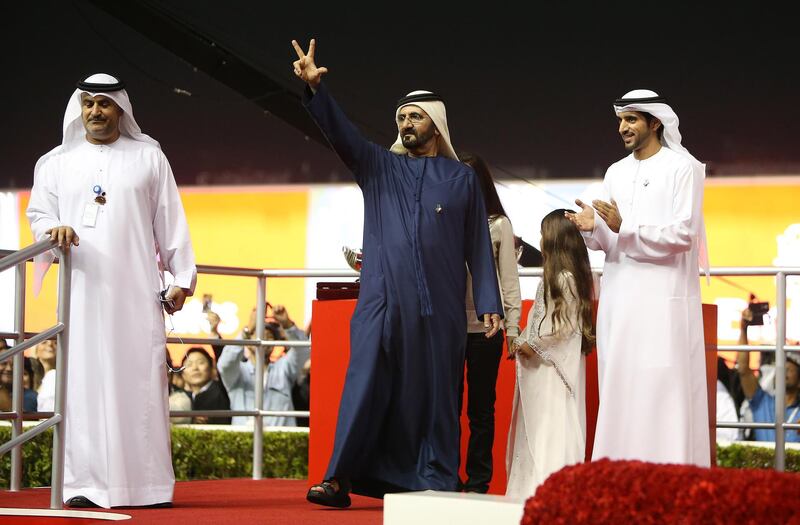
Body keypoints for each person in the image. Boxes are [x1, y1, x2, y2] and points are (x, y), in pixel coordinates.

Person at [292, 39, 503, 507]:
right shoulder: (377, 166)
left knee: (436, 401)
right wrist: (315, 91)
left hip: (441, 310)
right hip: (381, 304)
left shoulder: (462, 179)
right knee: (365, 384)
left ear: (437, 125)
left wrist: (489, 303)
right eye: (401, 117)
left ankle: (435, 482)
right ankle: (338, 479)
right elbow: (341, 135)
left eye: (415, 117)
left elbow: (477, 247)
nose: (406, 124)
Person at [26, 73, 196, 508]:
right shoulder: (55, 162)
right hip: (80, 294)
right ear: (78, 109)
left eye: (104, 104)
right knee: (82, 384)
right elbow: (39, 213)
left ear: (121, 109)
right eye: (88, 104)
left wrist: (181, 279)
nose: (95, 112)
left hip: (137, 291)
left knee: (139, 382)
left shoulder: (148, 157)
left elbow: (169, 219)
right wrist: (52, 228)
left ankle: (147, 486)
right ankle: (84, 484)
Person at [566, 89, 710, 466]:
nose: (623, 128)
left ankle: (671, 482)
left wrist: (624, 226)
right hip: (620, 301)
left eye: (631, 120)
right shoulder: (616, 171)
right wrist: (590, 229)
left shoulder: (684, 169)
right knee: (622, 390)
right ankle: (616, 482)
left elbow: (684, 236)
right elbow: (608, 240)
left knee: (664, 393)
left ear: (655, 122)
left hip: (664, 304)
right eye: (620, 121)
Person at [505, 209, 594, 498]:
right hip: (542, 370)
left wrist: (532, 345)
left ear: (554, 240)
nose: (540, 241)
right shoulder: (555, 278)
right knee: (537, 428)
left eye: (544, 234)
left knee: (551, 428)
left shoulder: (565, 279)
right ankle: (529, 491)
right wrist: (524, 341)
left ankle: (548, 493)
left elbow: (562, 329)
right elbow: (540, 321)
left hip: (553, 373)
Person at [457, 152, 521, 493]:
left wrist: (513, 326)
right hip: (449, 328)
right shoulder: (445, 217)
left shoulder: (498, 224)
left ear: (480, 181)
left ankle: (479, 481)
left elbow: (509, 279)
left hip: (487, 329)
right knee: (447, 408)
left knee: (481, 410)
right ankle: (446, 477)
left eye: (467, 176)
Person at [217, 304, 311, 427]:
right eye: (258, 336)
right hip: (244, 441)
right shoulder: (238, 372)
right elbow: (225, 363)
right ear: (248, 342)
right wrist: (247, 330)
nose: (264, 341)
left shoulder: (283, 369)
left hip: (281, 441)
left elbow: (303, 350)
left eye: (269, 337)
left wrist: (287, 324)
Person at [737, 307, 800, 442]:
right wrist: (743, 329)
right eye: (782, 367)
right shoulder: (761, 402)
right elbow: (743, 369)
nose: (785, 369)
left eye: (790, 368)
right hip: (762, 463)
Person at [181, 347, 231, 425]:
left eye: (200, 363)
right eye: (189, 364)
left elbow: (224, 364)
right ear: (183, 374)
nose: (195, 368)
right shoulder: (181, 398)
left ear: (212, 368)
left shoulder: (222, 389)